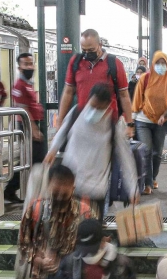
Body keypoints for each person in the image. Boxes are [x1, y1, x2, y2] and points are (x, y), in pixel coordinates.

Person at [46, 82, 138, 220]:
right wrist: (51, 151)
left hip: (96, 191)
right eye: (93, 105)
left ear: (107, 107)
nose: (94, 111)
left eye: (99, 108)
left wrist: (133, 189)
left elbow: (126, 159)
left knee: (91, 233)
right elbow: (62, 132)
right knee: (66, 227)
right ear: (89, 100)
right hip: (71, 186)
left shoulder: (113, 128)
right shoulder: (76, 113)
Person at [18, 165, 91, 279]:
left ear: (73, 189)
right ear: (48, 187)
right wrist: (37, 260)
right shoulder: (36, 209)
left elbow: (92, 247)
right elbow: (24, 243)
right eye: (55, 192)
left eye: (64, 194)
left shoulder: (84, 213)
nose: (59, 198)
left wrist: (67, 261)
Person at [57, 28, 134, 133]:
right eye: (84, 50)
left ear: (100, 45)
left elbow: (124, 95)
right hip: (82, 124)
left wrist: (129, 123)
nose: (87, 53)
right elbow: (68, 92)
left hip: (108, 125)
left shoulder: (114, 63)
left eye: (91, 50)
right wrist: (60, 120)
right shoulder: (75, 62)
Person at [132, 51, 167, 194]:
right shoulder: (145, 78)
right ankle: (148, 184)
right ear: (152, 64)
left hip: (161, 121)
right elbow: (137, 99)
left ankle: (153, 177)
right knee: (146, 151)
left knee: (157, 153)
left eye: (163, 63)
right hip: (143, 120)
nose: (160, 66)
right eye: (157, 63)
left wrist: (166, 115)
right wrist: (131, 122)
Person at [4, 52, 45, 203]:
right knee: (33, 158)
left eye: (31, 63)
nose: (30, 67)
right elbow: (24, 109)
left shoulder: (28, 83)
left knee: (33, 158)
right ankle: (11, 189)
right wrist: (33, 129)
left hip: (33, 123)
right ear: (19, 67)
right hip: (27, 125)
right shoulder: (19, 86)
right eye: (26, 64)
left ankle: (19, 190)